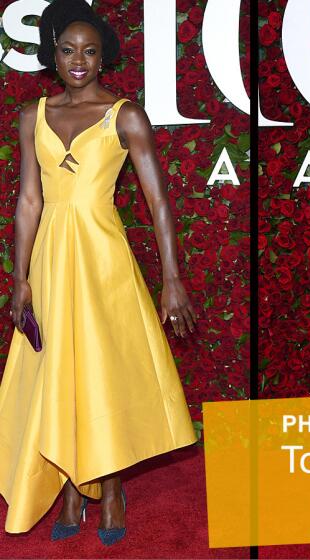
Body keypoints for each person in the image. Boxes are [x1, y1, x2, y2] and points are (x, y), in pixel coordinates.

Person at [0, 0, 197, 546]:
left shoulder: (124, 114)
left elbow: (158, 203)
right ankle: (69, 483)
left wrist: (172, 278)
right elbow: (28, 203)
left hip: (102, 259)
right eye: (67, 50)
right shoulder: (31, 116)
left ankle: (108, 487)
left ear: (104, 56)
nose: (78, 60)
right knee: (55, 371)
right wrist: (20, 278)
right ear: (53, 55)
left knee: (101, 373)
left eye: (89, 51)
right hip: (50, 261)